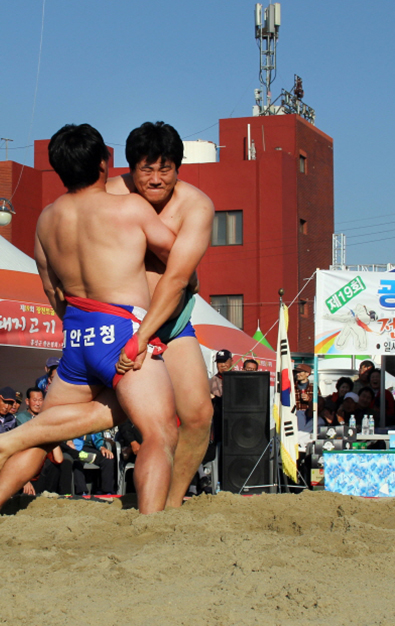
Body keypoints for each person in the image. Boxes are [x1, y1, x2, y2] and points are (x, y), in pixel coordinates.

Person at [0, 122, 179, 516]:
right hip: (120, 329)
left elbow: (52, 288)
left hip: (76, 334)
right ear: (105, 163)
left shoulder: (47, 220)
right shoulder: (130, 208)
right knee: (160, 430)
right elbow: (178, 258)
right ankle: (152, 523)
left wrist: (76, 322)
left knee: (48, 431)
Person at [108, 121, 216, 507]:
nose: (155, 179)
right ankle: (12, 447)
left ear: (178, 168)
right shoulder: (109, 194)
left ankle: (171, 503)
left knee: (199, 415)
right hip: (117, 320)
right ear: (131, 168)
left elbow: (175, 281)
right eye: (146, 169)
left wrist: (144, 336)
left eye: (165, 169)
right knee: (98, 411)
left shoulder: (195, 205)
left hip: (169, 319)